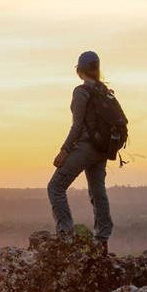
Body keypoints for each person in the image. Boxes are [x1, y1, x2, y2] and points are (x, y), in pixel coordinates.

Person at [47, 50, 113, 246]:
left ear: (79, 70)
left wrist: (64, 150)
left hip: (86, 147)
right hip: (102, 148)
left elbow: (77, 125)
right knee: (97, 190)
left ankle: (65, 232)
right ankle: (102, 236)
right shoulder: (104, 91)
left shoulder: (81, 92)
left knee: (55, 187)